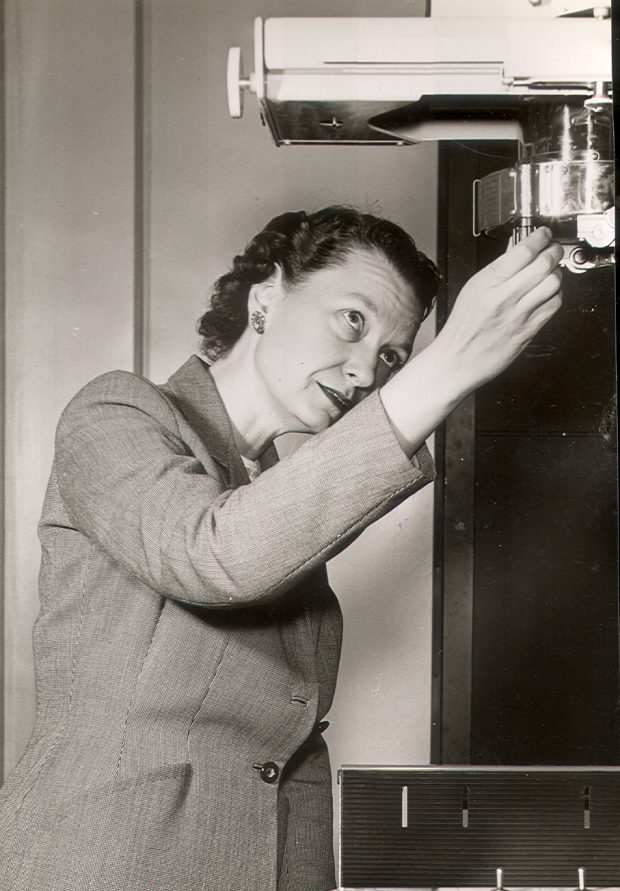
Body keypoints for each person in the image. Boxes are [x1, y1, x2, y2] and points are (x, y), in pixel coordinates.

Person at [0, 207, 563, 891]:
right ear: (264, 298)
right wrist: (446, 368)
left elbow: (280, 752)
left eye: (393, 354)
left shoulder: (272, 486)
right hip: (107, 861)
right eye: (353, 319)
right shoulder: (116, 413)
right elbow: (213, 555)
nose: (365, 372)